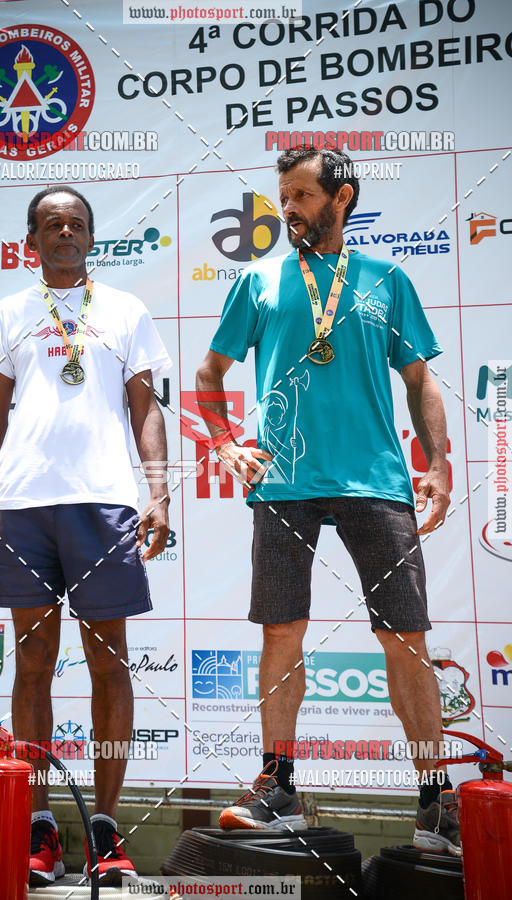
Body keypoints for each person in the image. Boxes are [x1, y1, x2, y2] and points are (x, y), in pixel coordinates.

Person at [195, 149, 460, 855]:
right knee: (281, 632)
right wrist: (225, 443)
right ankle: (278, 786)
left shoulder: (386, 279)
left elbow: (421, 380)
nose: (288, 208)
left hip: (376, 480)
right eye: (282, 195)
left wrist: (438, 464)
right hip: (284, 481)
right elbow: (209, 373)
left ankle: (435, 801)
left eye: (302, 195)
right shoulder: (257, 280)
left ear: (340, 198)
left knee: (404, 638)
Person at [0, 186, 171, 885]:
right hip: (21, 505)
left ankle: (105, 829)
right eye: (53, 224)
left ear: (92, 237)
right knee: (34, 664)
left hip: (102, 502)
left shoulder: (126, 310)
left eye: (76, 223)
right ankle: (39, 826)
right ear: (32, 241)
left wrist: (158, 491)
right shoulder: (11, 312)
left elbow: (146, 411)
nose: (66, 232)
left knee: (109, 664)